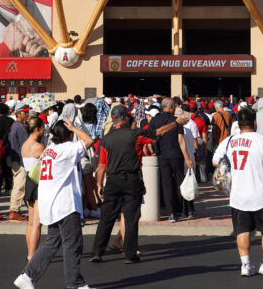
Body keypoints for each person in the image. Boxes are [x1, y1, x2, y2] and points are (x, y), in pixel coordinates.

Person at [14, 119, 94, 289]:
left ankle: (27, 276)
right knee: (72, 244)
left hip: (50, 202)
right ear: (69, 134)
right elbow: (89, 141)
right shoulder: (67, 149)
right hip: (65, 203)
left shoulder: (50, 149)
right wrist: (73, 127)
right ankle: (75, 284)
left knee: (52, 242)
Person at [90, 104, 170, 264]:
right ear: (125, 118)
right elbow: (158, 133)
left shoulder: (106, 139)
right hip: (131, 179)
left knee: (107, 217)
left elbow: (101, 165)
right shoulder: (135, 134)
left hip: (112, 180)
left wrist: (99, 184)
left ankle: (97, 252)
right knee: (131, 217)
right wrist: (176, 123)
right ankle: (130, 253)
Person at [212, 107, 263, 279]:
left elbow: (215, 161)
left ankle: (245, 264)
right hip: (262, 193)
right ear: (254, 122)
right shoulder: (262, 141)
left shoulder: (229, 141)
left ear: (238, 122)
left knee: (242, 230)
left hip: (238, 193)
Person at [149, 97, 184, 222]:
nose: (175, 109)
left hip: (162, 156)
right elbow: (181, 140)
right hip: (176, 155)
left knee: (166, 184)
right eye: (174, 106)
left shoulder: (154, 120)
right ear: (170, 107)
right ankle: (180, 209)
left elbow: (150, 138)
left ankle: (171, 213)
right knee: (180, 182)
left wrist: (153, 151)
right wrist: (188, 157)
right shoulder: (176, 121)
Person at [21, 117, 46, 260]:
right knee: (37, 223)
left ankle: (29, 253)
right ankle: (32, 255)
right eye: (42, 127)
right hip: (38, 183)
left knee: (31, 223)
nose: (44, 130)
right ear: (37, 129)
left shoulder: (25, 145)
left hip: (29, 181)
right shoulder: (39, 147)